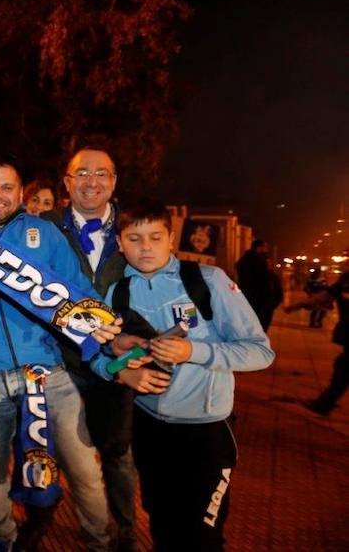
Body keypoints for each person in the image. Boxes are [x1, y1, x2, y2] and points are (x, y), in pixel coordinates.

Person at [92, 199, 274, 552]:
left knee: (202, 536)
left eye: (155, 237)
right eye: (134, 238)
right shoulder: (118, 293)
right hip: (149, 429)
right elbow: (101, 357)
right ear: (119, 244)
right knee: (162, 525)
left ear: (171, 239)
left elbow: (260, 352)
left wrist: (195, 352)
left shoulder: (207, 280)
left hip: (206, 433)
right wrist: (120, 373)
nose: (145, 247)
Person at [0, 160, 120, 551]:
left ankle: (101, 541)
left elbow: (80, 289)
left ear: (20, 193)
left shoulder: (43, 233)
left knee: (83, 468)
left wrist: (101, 320)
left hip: (46, 369)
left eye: (7, 187)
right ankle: (3, 539)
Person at [42, 142, 135, 550]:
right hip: (59, 359)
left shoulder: (133, 228)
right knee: (48, 448)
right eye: (82, 173)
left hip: (116, 360)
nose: (91, 181)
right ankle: (41, 518)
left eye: (101, 173)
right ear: (67, 181)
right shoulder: (44, 226)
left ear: (113, 181)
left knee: (116, 453)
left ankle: (125, 530)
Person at [286, 259, 349, 415]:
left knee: (344, 367)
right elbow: (326, 296)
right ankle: (325, 403)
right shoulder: (346, 279)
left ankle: (325, 403)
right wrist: (300, 304)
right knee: (343, 367)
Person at [236, 240, 280, 331]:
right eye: (265, 247)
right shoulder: (259, 260)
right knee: (262, 321)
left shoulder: (244, 259)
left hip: (247, 293)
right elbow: (264, 279)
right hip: (259, 296)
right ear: (259, 248)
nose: (266, 249)